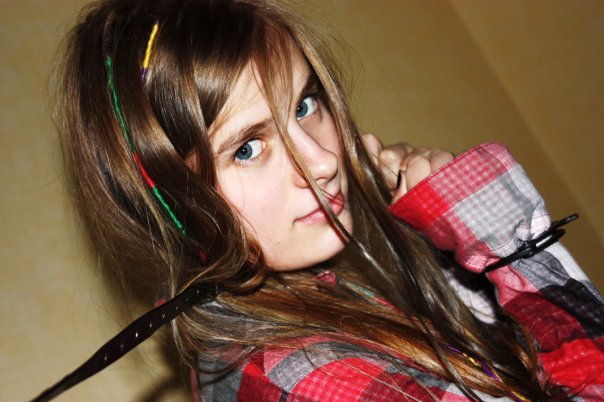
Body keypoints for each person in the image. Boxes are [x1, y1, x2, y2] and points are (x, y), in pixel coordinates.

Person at [55, 0, 603, 400]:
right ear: (172, 203)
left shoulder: (302, 297)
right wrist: (498, 233)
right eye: (247, 149)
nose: (321, 162)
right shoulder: (312, 378)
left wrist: (438, 245)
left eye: (304, 106)